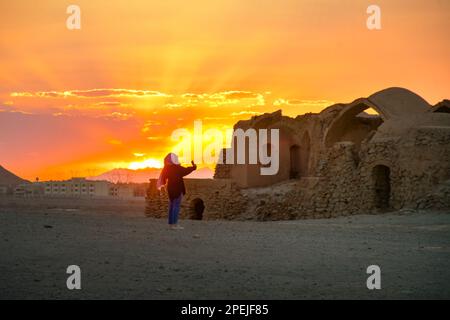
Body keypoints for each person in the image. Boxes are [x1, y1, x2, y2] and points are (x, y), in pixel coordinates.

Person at [157, 153, 197, 230]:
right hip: (177, 188)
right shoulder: (177, 168)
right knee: (176, 206)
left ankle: (171, 224)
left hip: (170, 189)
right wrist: (193, 167)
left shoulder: (166, 168)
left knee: (172, 205)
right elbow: (186, 170)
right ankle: (175, 224)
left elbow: (164, 178)